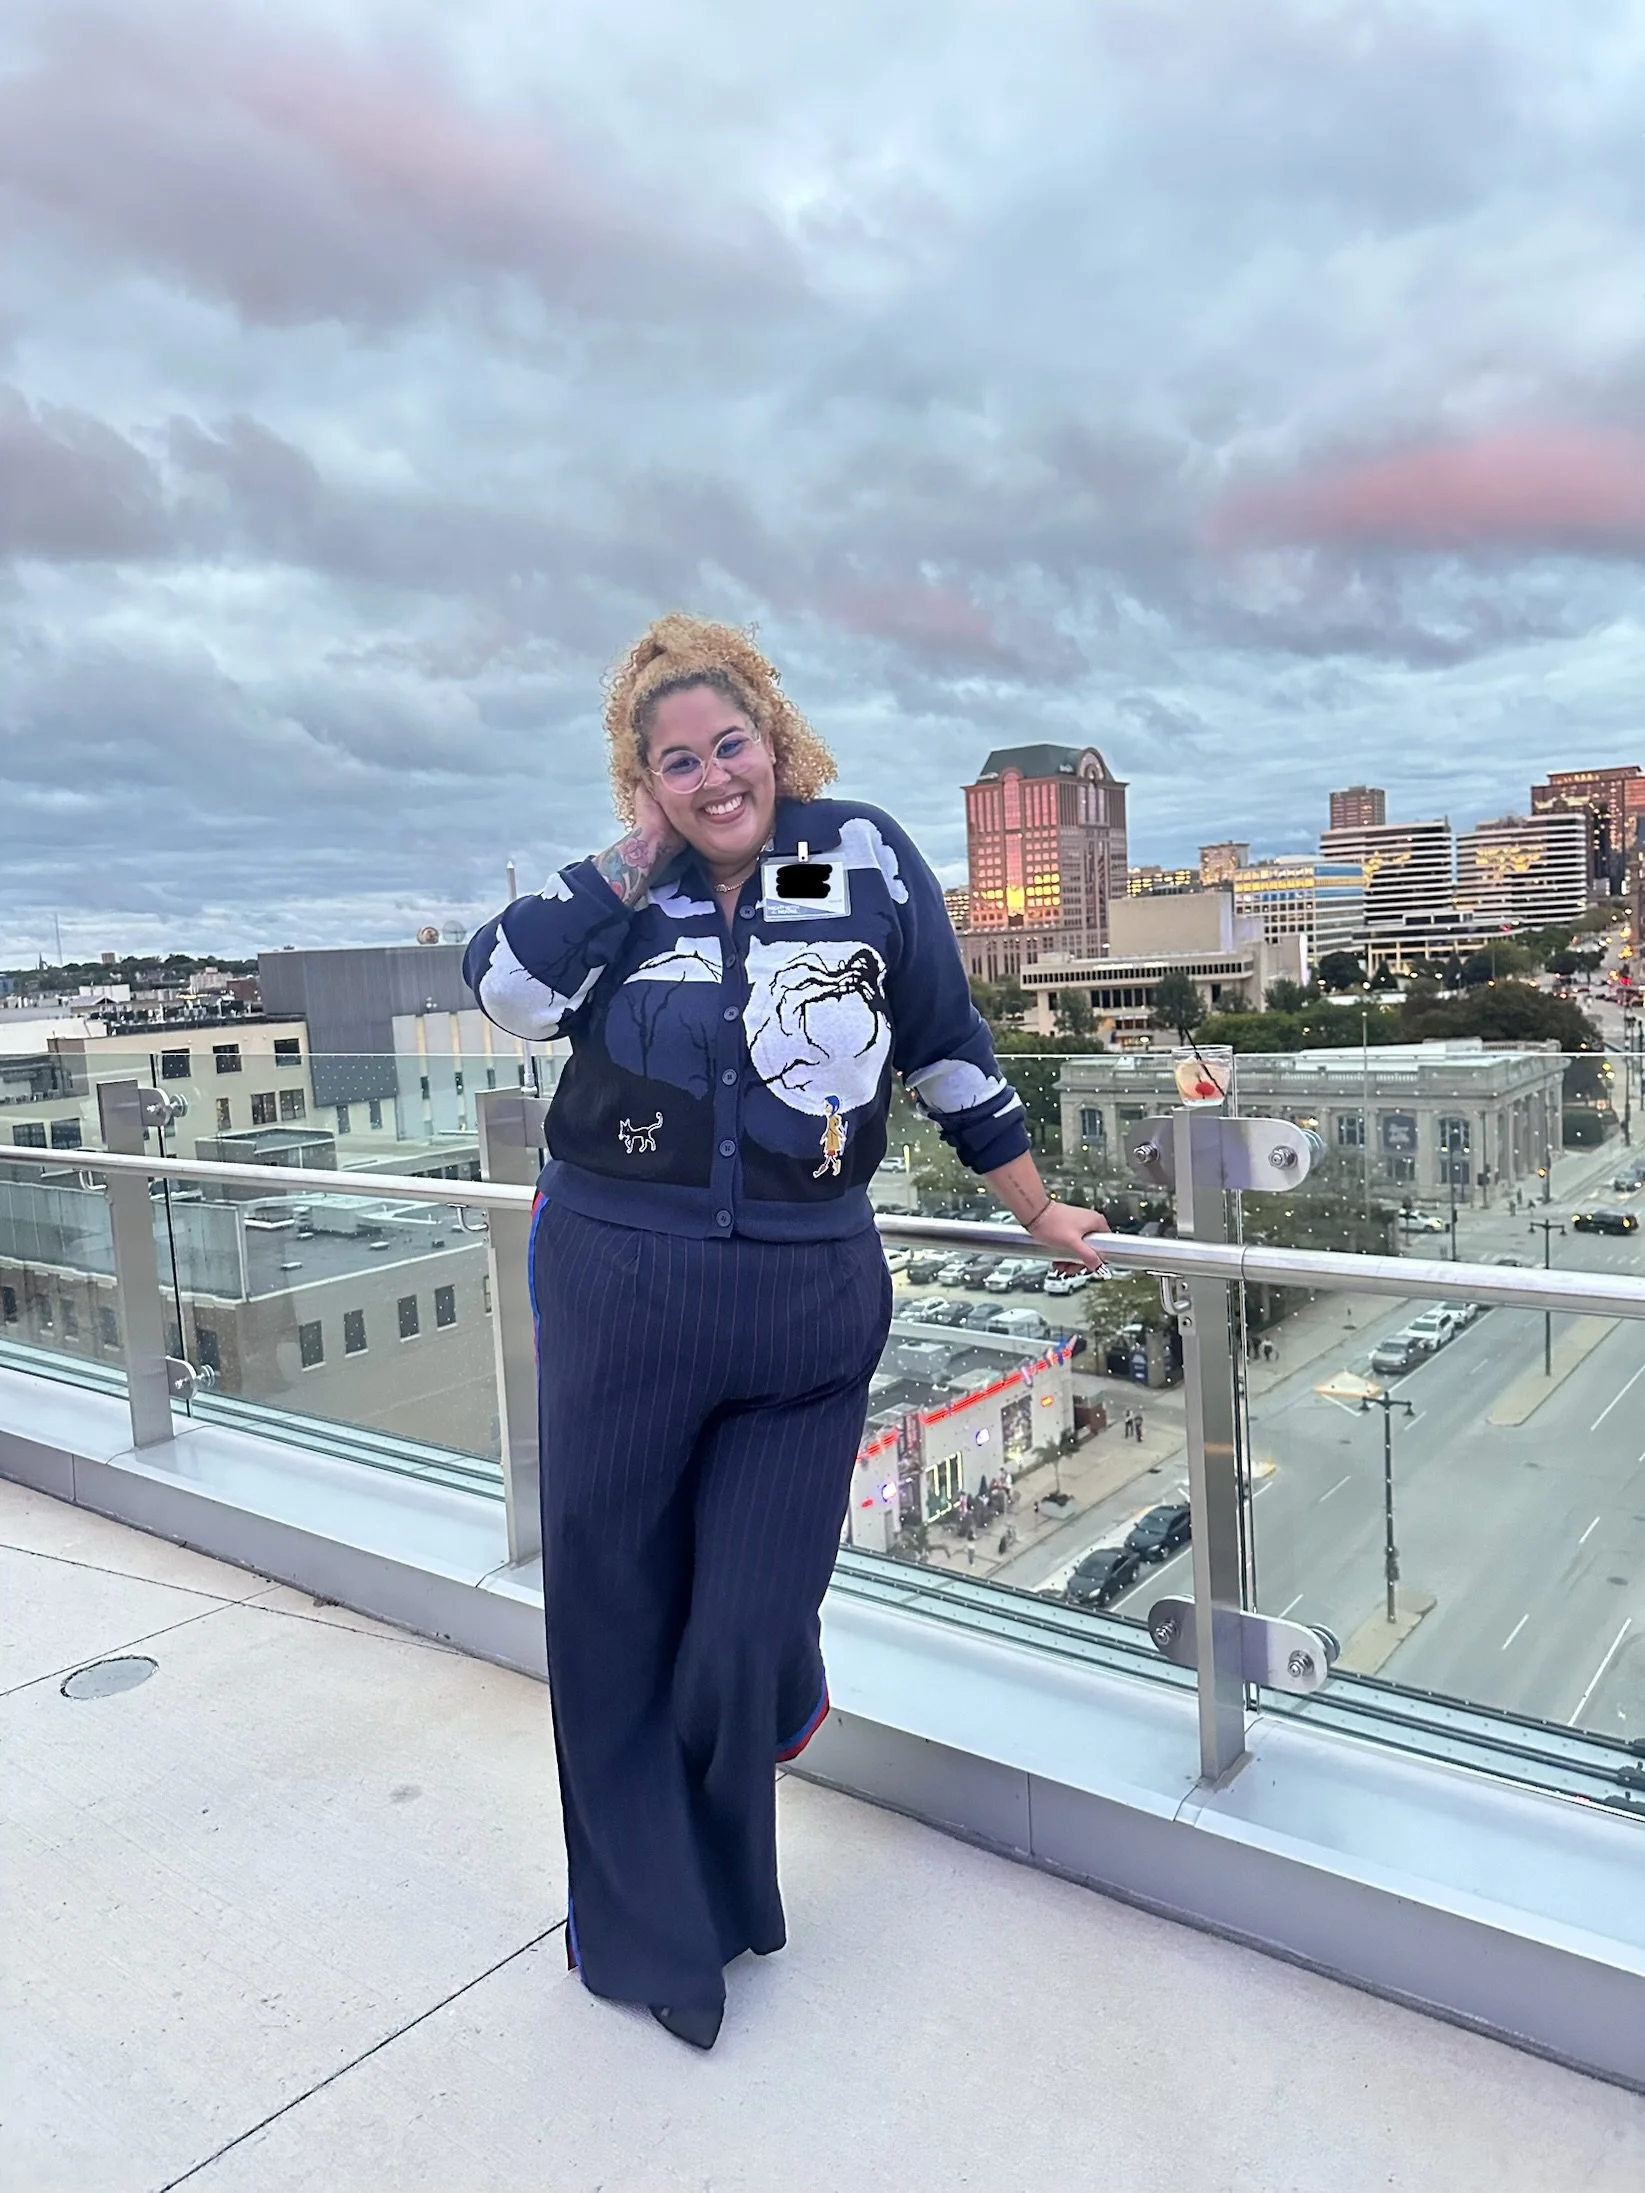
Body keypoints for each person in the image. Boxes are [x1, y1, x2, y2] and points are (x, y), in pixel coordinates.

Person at [464, 614, 1111, 2052]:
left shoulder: (862, 853)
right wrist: (636, 857)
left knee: (749, 1625)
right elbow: (504, 994)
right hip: (621, 1289)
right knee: (613, 1615)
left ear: (774, 735)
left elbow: (944, 1045)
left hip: (806, 1307)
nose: (713, 778)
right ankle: (658, 1937)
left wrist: (1035, 1207)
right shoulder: (621, 892)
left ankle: (758, 1745)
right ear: (644, 781)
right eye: (676, 763)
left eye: (729, 744)